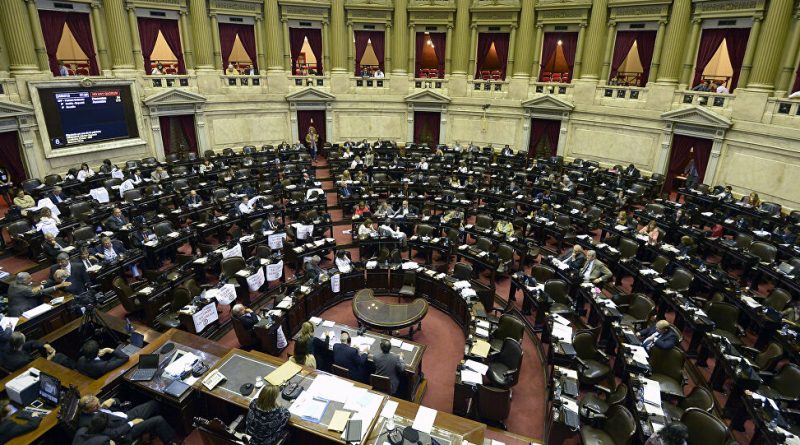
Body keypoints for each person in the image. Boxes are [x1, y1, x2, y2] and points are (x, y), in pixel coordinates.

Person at [78, 395, 178, 445]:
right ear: (86, 410)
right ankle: (170, 442)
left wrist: (113, 400)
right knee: (159, 420)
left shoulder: (94, 403)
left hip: (125, 416)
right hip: (125, 431)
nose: (99, 405)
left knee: (154, 404)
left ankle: (154, 432)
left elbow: (117, 402)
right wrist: (131, 423)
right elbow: (113, 433)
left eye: (98, 403)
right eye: (96, 406)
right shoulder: (91, 423)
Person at [0, 330, 69, 371]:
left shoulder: (7, 347)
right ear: (22, 342)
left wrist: (44, 345)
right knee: (60, 357)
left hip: (15, 367)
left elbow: (31, 343)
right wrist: (49, 358)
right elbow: (38, 369)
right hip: (28, 373)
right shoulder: (24, 360)